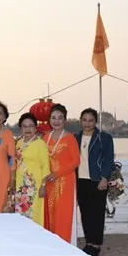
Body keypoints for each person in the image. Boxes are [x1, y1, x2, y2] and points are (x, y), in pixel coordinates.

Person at [75, 108, 115, 256]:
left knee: (97, 213)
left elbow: (108, 159)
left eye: (90, 120)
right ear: (80, 121)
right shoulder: (75, 137)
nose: (87, 123)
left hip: (97, 180)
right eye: (84, 120)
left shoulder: (104, 138)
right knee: (85, 213)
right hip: (80, 180)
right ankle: (89, 242)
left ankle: (96, 244)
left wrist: (104, 178)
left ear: (95, 121)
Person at [43, 104, 80, 244]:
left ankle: (64, 245)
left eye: (60, 118)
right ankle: (51, 244)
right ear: (49, 120)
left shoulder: (70, 138)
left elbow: (76, 161)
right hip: (49, 182)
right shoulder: (45, 138)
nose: (56, 121)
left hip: (65, 182)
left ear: (65, 120)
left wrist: (57, 174)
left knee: (63, 214)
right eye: (53, 118)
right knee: (50, 213)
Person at [13, 113, 50, 226]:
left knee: (34, 213)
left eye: (30, 126)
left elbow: (46, 166)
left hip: (34, 185)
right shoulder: (19, 143)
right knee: (20, 213)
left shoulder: (40, 144)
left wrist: (43, 186)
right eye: (24, 126)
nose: (28, 129)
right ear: (21, 128)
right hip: (20, 184)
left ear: (35, 128)